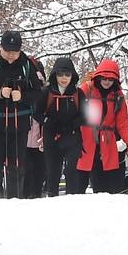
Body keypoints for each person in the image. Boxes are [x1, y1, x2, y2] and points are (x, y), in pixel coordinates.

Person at [0, 30, 42, 199]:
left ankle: (14, 199)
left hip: (20, 124)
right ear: (1, 48)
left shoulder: (27, 66)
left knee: (16, 164)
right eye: (8, 51)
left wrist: (23, 97)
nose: (11, 56)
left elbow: (38, 94)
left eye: (15, 52)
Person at [76, 58, 128, 194]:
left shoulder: (118, 96)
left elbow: (122, 122)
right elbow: (75, 110)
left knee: (105, 182)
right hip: (86, 139)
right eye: (104, 78)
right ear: (98, 77)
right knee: (79, 180)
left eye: (111, 79)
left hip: (107, 142)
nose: (107, 82)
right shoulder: (86, 89)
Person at [39, 55, 84, 195]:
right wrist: (48, 122)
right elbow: (36, 112)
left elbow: (87, 115)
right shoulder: (46, 92)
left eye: (67, 74)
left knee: (72, 172)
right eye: (60, 74)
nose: (64, 78)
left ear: (72, 76)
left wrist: (72, 125)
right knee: (53, 173)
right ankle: (52, 202)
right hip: (51, 137)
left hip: (72, 137)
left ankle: (71, 203)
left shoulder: (79, 93)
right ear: (54, 75)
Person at [21, 54, 48, 198]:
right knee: (33, 175)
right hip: (29, 138)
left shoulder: (43, 92)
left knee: (35, 174)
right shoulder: (23, 88)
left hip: (36, 138)